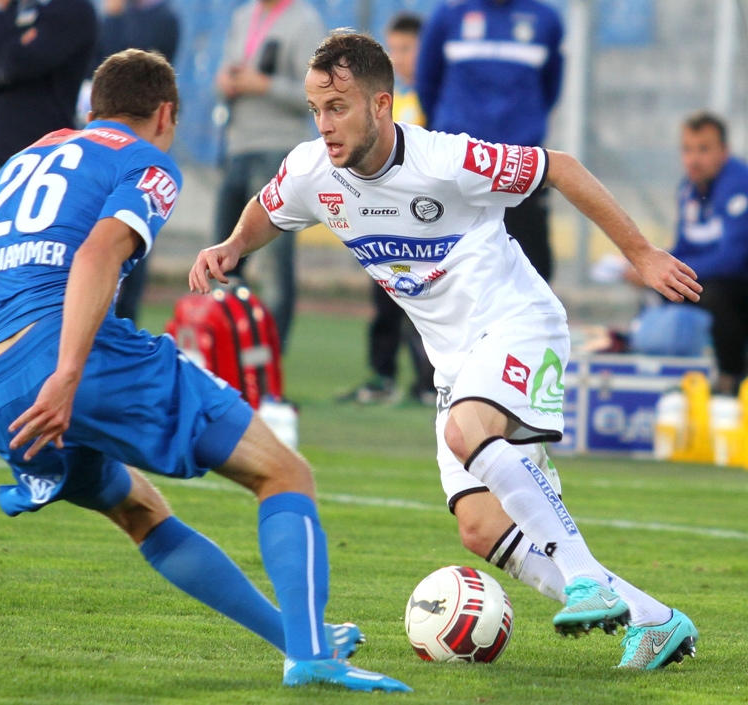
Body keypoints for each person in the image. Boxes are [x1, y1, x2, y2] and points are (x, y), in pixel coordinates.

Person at [0, 49, 409, 694]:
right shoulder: (145, 162)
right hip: (70, 364)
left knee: (140, 512)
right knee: (284, 472)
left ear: (91, 109)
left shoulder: (23, 166)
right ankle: (312, 657)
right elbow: (99, 251)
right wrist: (67, 375)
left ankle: (299, 636)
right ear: (166, 113)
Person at [190, 32, 701, 670]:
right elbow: (271, 207)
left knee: (468, 431)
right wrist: (234, 246)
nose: (324, 125)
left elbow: (560, 167)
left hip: (519, 324)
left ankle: (584, 579)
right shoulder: (311, 169)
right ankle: (655, 622)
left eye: (339, 107)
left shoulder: (448, 160)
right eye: (317, 109)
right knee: (482, 529)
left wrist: (642, 253)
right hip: (454, 362)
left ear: (382, 105)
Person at [416, 0, 563, 283]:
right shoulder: (449, 14)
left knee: (532, 269)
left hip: (520, 165)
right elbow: (427, 81)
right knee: (440, 270)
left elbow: (550, 86)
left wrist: (522, 128)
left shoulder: (545, 19)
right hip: (457, 167)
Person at [213, 0, 326, 351]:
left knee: (276, 268)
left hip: (279, 150)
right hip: (238, 146)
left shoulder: (306, 22)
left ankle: (269, 365)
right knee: (224, 259)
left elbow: (316, 91)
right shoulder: (243, 16)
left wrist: (262, 85)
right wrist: (225, 82)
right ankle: (224, 353)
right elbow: (226, 72)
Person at [339, 12, 435, 405]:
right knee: (384, 299)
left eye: (406, 48)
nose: (397, 57)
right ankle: (383, 376)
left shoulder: (433, 98)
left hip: (424, 215)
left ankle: (431, 382)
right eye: (391, 49)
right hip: (383, 213)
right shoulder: (384, 103)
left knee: (425, 302)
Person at [625, 112, 748, 396]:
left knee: (714, 294)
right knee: (659, 287)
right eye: (687, 149)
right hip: (713, 279)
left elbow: (734, 259)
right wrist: (647, 265)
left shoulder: (739, 185)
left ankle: (732, 377)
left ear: (723, 152)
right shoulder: (687, 189)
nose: (693, 159)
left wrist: (675, 271)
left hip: (737, 284)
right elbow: (683, 247)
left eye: (703, 149)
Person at [93, 0, 180, 324]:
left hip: (137, 145)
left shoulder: (163, 19)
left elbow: (125, 81)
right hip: (103, 143)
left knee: (130, 234)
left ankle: (122, 320)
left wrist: (113, 19)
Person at [0, 0, 98, 193]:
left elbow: (18, 63)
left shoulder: (72, 9)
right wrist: (4, 73)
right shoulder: (11, 9)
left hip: (42, 162)